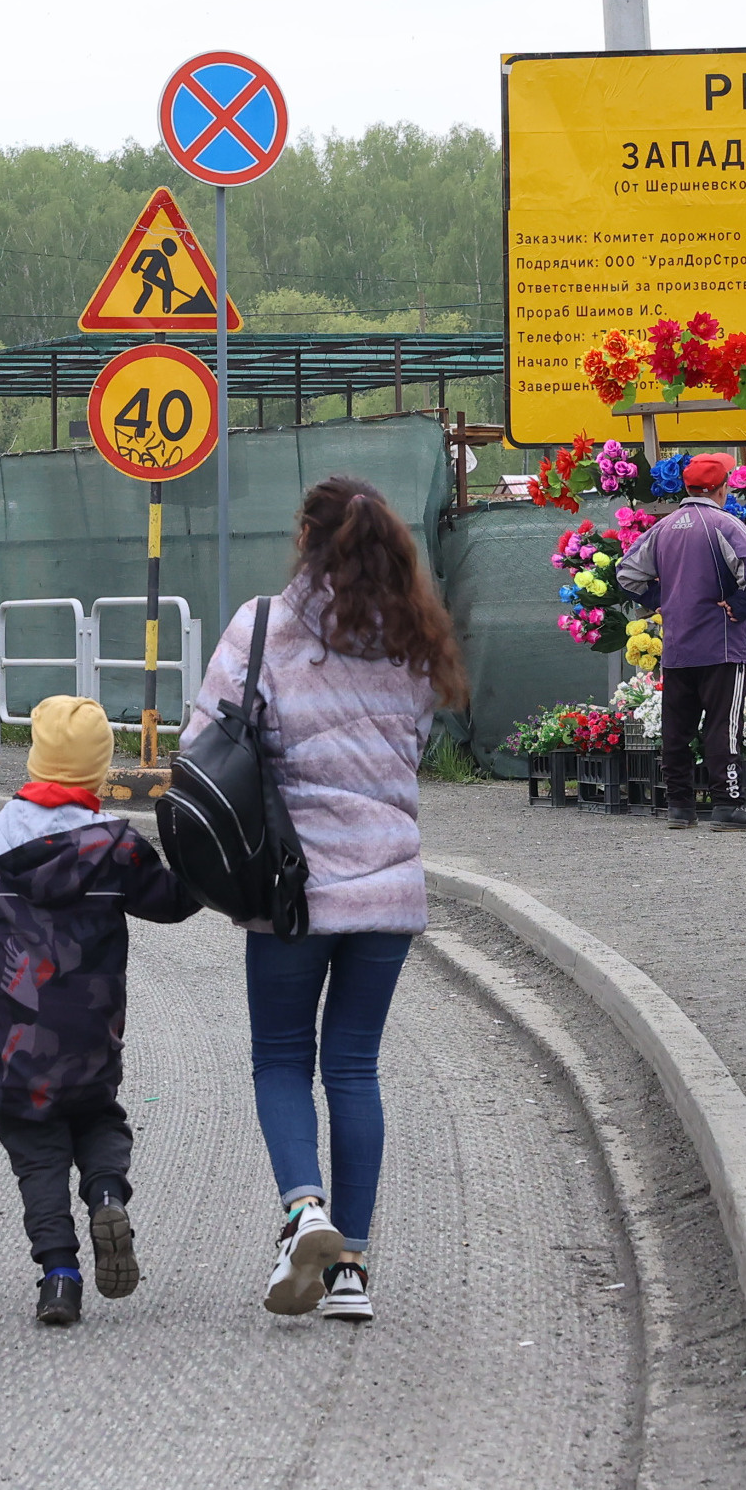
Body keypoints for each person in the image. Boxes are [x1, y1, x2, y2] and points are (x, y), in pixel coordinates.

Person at [185, 475, 469, 1322]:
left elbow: (210, 739)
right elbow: (411, 753)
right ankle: (350, 1273)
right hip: (387, 888)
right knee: (353, 1067)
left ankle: (304, 1209)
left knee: (280, 1059)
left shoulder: (261, 628)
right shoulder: (418, 639)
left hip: (290, 890)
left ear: (306, 539)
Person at [0, 694, 199, 1327]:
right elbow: (172, 901)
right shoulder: (118, 845)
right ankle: (104, 1195)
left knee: (36, 1151)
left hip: (17, 1049)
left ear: (36, 761)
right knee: (100, 1123)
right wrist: (209, 859)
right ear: (98, 774)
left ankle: (59, 1278)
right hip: (93, 1035)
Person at [619, 451, 746, 830]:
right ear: (721, 489)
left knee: (677, 728)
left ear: (686, 487)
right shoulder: (724, 524)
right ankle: (728, 805)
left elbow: (626, 574)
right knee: (724, 727)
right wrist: (741, 606)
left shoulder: (663, 528)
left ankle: (679, 806)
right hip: (721, 643)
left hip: (678, 647)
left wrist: (663, 601)